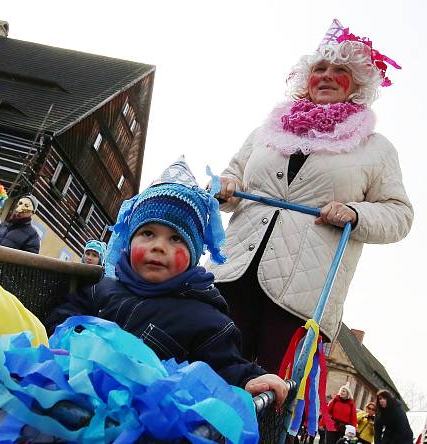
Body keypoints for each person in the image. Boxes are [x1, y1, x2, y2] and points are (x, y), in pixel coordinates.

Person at [209, 19, 413, 371]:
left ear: (358, 84)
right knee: (211, 369)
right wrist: (223, 188)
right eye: (320, 68)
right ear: (306, 77)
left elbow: (399, 215)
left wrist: (355, 212)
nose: (327, 76)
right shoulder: (266, 131)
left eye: (340, 70)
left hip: (301, 295)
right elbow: (233, 177)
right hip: (233, 273)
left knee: (273, 390)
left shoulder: (376, 147)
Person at [46, 159, 288, 401]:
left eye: (175, 239)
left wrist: (248, 379)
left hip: (142, 420)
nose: (159, 246)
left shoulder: (205, 319)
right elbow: (63, 321)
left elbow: (225, 367)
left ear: (193, 253)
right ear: (130, 240)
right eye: (147, 233)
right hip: (75, 394)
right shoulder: (102, 290)